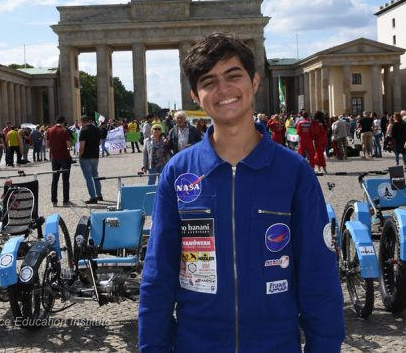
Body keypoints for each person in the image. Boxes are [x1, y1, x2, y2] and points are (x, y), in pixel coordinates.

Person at [138, 32, 345, 352]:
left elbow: (319, 276)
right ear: (195, 94)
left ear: (255, 81)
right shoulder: (178, 174)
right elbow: (158, 276)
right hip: (197, 344)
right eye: (209, 81)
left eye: (233, 75)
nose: (223, 89)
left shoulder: (294, 173)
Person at [46, 116, 73, 206]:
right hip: (65, 157)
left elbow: (47, 145)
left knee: (55, 179)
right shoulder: (64, 130)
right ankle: (65, 200)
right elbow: (68, 145)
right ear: (63, 122)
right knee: (65, 180)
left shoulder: (49, 130)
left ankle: (54, 200)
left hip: (54, 157)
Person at [78, 115, 103, 204]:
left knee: (88, 177)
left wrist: (79, 156)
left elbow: (82, 147)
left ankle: (93, 197)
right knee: (95, 175)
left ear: (83, 121)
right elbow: (100, 142)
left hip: (86, 157)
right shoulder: (97, 129)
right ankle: (99, 195)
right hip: (95, 155)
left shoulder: (84, 130)